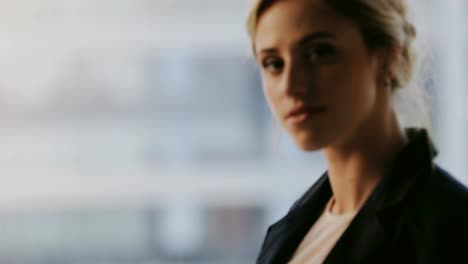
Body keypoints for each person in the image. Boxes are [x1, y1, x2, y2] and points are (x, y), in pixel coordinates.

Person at [246, 0, 468, 263]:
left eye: (319, 52)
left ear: (387, 57)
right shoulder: (289, 232)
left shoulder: (450, 228)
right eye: (273, 63)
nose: (291, 85)